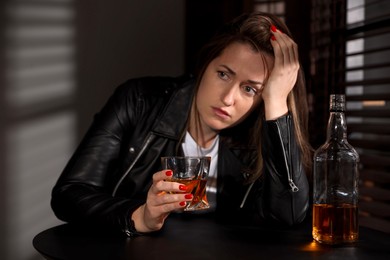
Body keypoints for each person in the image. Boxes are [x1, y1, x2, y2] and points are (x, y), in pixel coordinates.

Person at [51, 11, 312, 237]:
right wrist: (140, 216)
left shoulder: (260, 131)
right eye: (223, 74)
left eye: (249, 89)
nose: (228, 98)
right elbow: (69, 194)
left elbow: (288, 215)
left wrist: (277, 104)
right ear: (205, 65)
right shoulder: (140, 100)